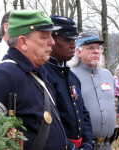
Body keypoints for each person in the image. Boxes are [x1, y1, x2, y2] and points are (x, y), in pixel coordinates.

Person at [0, 9, 71, 150]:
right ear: (23, 42)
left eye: (51, 36)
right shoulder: (3, 76)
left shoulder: (39, 72)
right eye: (45, 37)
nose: (52, 42)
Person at [44, 15, 93, 150]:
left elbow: (84, 113)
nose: (73, 45)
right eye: (67, 40)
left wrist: (87, 144)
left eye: (74, 40)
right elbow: (48, 123)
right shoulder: (43, 75)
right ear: (51, 40)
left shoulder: (71, 76)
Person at [70, 34, 117, 150]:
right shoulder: (70, 75)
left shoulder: (107, 75)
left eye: (98, 48)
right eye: (90, 48)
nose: (96, 51)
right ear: (78, 52)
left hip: (107, 145)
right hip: (84, 145)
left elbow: (111, 104)